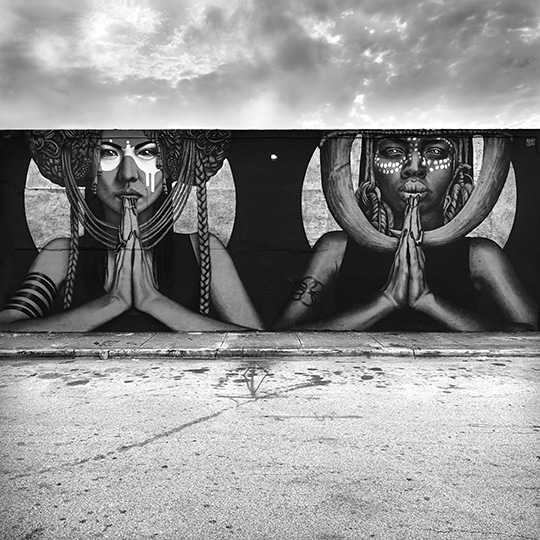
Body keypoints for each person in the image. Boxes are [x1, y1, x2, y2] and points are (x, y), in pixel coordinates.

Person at [0, 130, 264, 332]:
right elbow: (8, 329)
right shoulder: (62, 254)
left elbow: (262, 343)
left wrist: (153, 302)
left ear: (170, 169)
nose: (128, 174)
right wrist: (112, 303)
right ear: (89, 172)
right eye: (108, 153)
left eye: (146, 153)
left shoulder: (204, 251)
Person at [272, 134, 537, 331]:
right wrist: (386, 300)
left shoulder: (480, 255)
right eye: (393, 151)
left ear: (459, 167)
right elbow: (280, 337)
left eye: (434, 151)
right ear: (372, 168)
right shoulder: (337, 249)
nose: (413, 167)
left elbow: (531, 336)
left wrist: (429, 302)